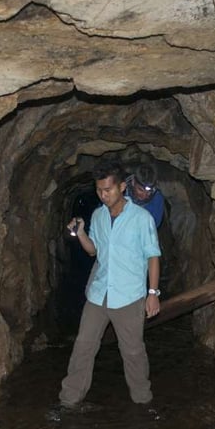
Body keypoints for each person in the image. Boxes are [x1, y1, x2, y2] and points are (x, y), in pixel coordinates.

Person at [60, 161, 162, 408]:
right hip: (99, 293)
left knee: (133, 352)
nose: (103, 195)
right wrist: (81, 233)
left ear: (122, 187)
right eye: (99, 191)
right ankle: (69, 400)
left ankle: (142, 400)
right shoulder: (98, 215)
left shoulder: (141, 218)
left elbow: (153, 255)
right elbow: (94, 251)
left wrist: (153, 293)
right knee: (83, 346)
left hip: (129, 295)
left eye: (108, 190)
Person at [125, 164, 166, 228]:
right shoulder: (120, 192)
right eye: (140, 190)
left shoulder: (157, 198)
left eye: (149, 191)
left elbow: (153, 225)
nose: (144, 195)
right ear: (133, 182)